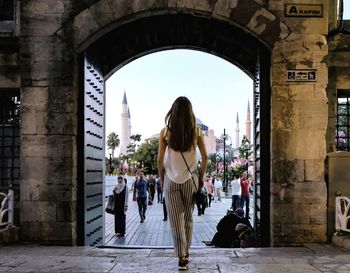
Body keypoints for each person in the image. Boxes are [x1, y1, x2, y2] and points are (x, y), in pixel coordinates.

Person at [157, 96, 208, 270]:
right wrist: (200, 177)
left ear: (174, 111)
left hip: (170, 180)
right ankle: (186, 252)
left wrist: (162, 178)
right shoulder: (197, 131)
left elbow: (159, 160)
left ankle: (181, 255)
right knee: (188, 217)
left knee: (175, 219)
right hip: (190, 179)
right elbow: (206, 157)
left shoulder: (165, 132)